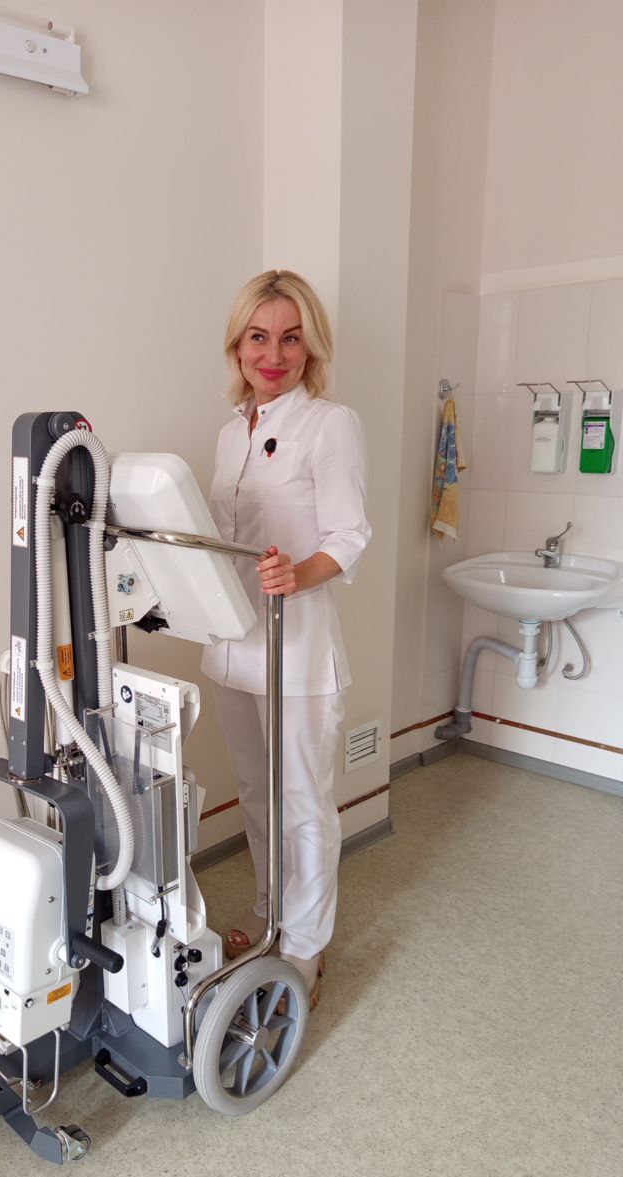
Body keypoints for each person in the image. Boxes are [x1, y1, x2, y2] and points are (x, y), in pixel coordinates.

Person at [200, 269, 371, 1010]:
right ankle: (271, 911)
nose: (274, 355)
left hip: (296, 651)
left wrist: (298, 575)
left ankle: (304, 945)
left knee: (302, 803)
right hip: (233, 645)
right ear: (237, 347)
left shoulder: (330, 425)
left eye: (291, 338)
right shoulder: (228, 433)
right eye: (259, 337)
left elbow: (349, 536)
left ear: (311, 347)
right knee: (257, 794)